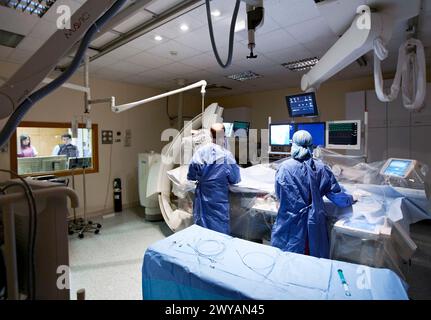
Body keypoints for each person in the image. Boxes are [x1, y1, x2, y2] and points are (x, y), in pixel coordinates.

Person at [272, 130, 355, 259]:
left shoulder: (284, 168)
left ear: (293, 145)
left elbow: (279, 195)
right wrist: (352, 198)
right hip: (313, 222)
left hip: (290, 222)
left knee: (288, 260)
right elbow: (337, 197)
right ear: (311, 146)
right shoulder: (321, 168)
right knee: (312, 261)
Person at [187, 123, 241, 235]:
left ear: (211, 135)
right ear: (224, 136)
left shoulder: (200, 153)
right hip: (218, 199)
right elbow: (235, 179)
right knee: (219, 230)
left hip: (202, 198)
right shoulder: (227, 156)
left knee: (201, 229)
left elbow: (191, 175)